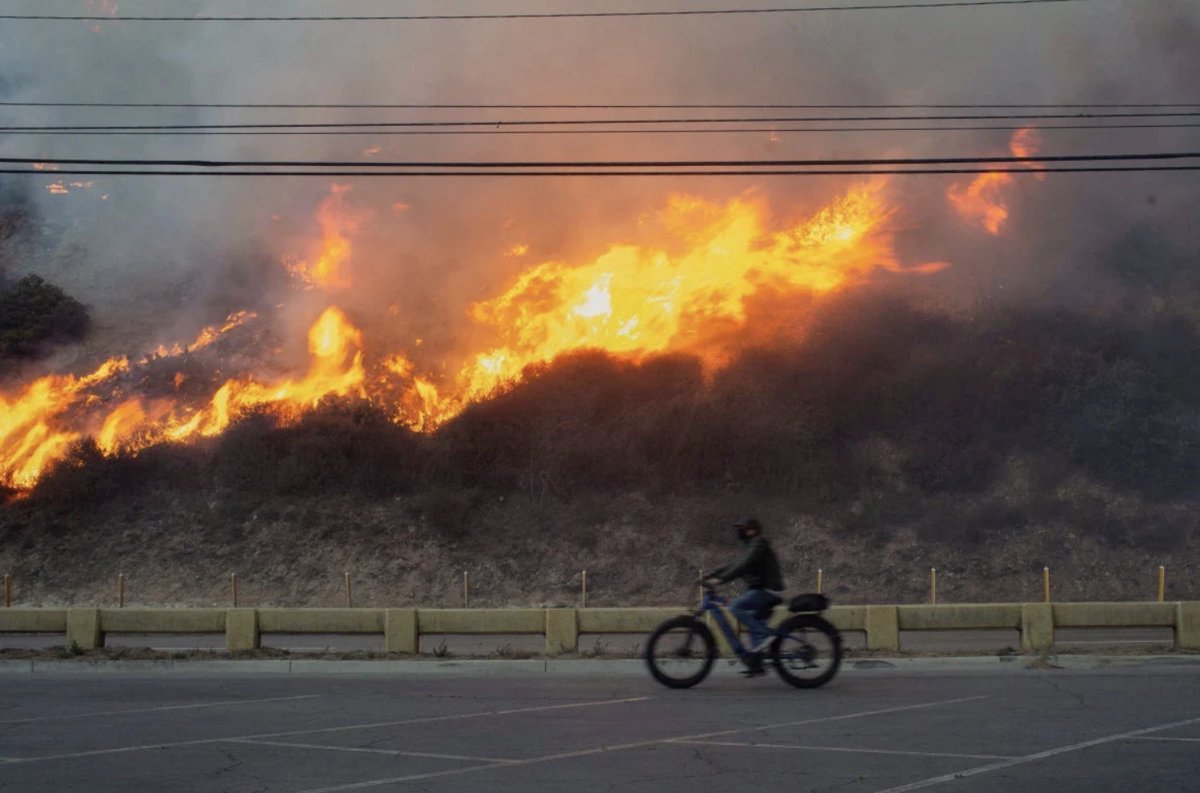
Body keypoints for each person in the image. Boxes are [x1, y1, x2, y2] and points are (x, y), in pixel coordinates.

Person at [704, 518, 785, 677]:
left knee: (735, 606)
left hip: (769, 590)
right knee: (750, 620)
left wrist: (720, 580)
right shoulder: (751, 546)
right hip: (760, 590)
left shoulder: (758, 543)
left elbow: (742, 565)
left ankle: (765, 634)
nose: (739, 532)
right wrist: (712, 574)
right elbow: (736, 564)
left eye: (742, 529)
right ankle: (756, 664)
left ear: (752, 530)